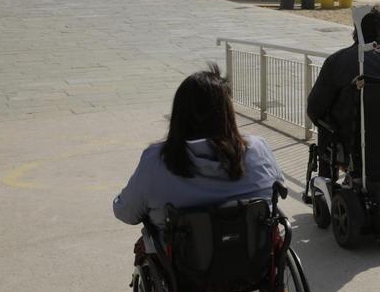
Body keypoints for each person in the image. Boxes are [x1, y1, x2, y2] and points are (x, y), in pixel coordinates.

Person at [113, 63, 284, 228]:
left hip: (184, 256)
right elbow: (277, 184)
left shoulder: (156, 161)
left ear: (179, 116)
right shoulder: (259, 150)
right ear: (228, 113)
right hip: (254, 254)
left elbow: (126, 213)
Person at [306, 6, 380, 177]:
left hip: (353, 147)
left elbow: (314, 110)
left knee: (326, 125)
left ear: (355, 31)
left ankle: (325, 181)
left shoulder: (337, 61)